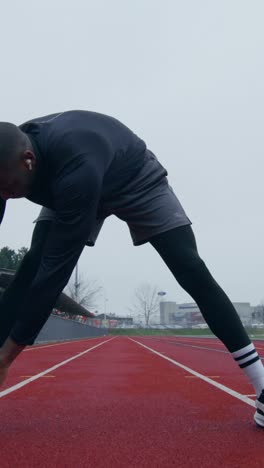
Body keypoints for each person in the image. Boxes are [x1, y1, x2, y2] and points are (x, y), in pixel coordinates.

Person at [0, 110, 263, 427]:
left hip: (134, 179)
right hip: (65, 183)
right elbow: (30, 272)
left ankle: (261, 383)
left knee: (191, 269)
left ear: (28, 160)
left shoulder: (73, 164)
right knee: (29, 267)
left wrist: (7, 357)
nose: (4, 196)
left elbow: (54, 273)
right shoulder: (8, 161)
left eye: (7, 188)